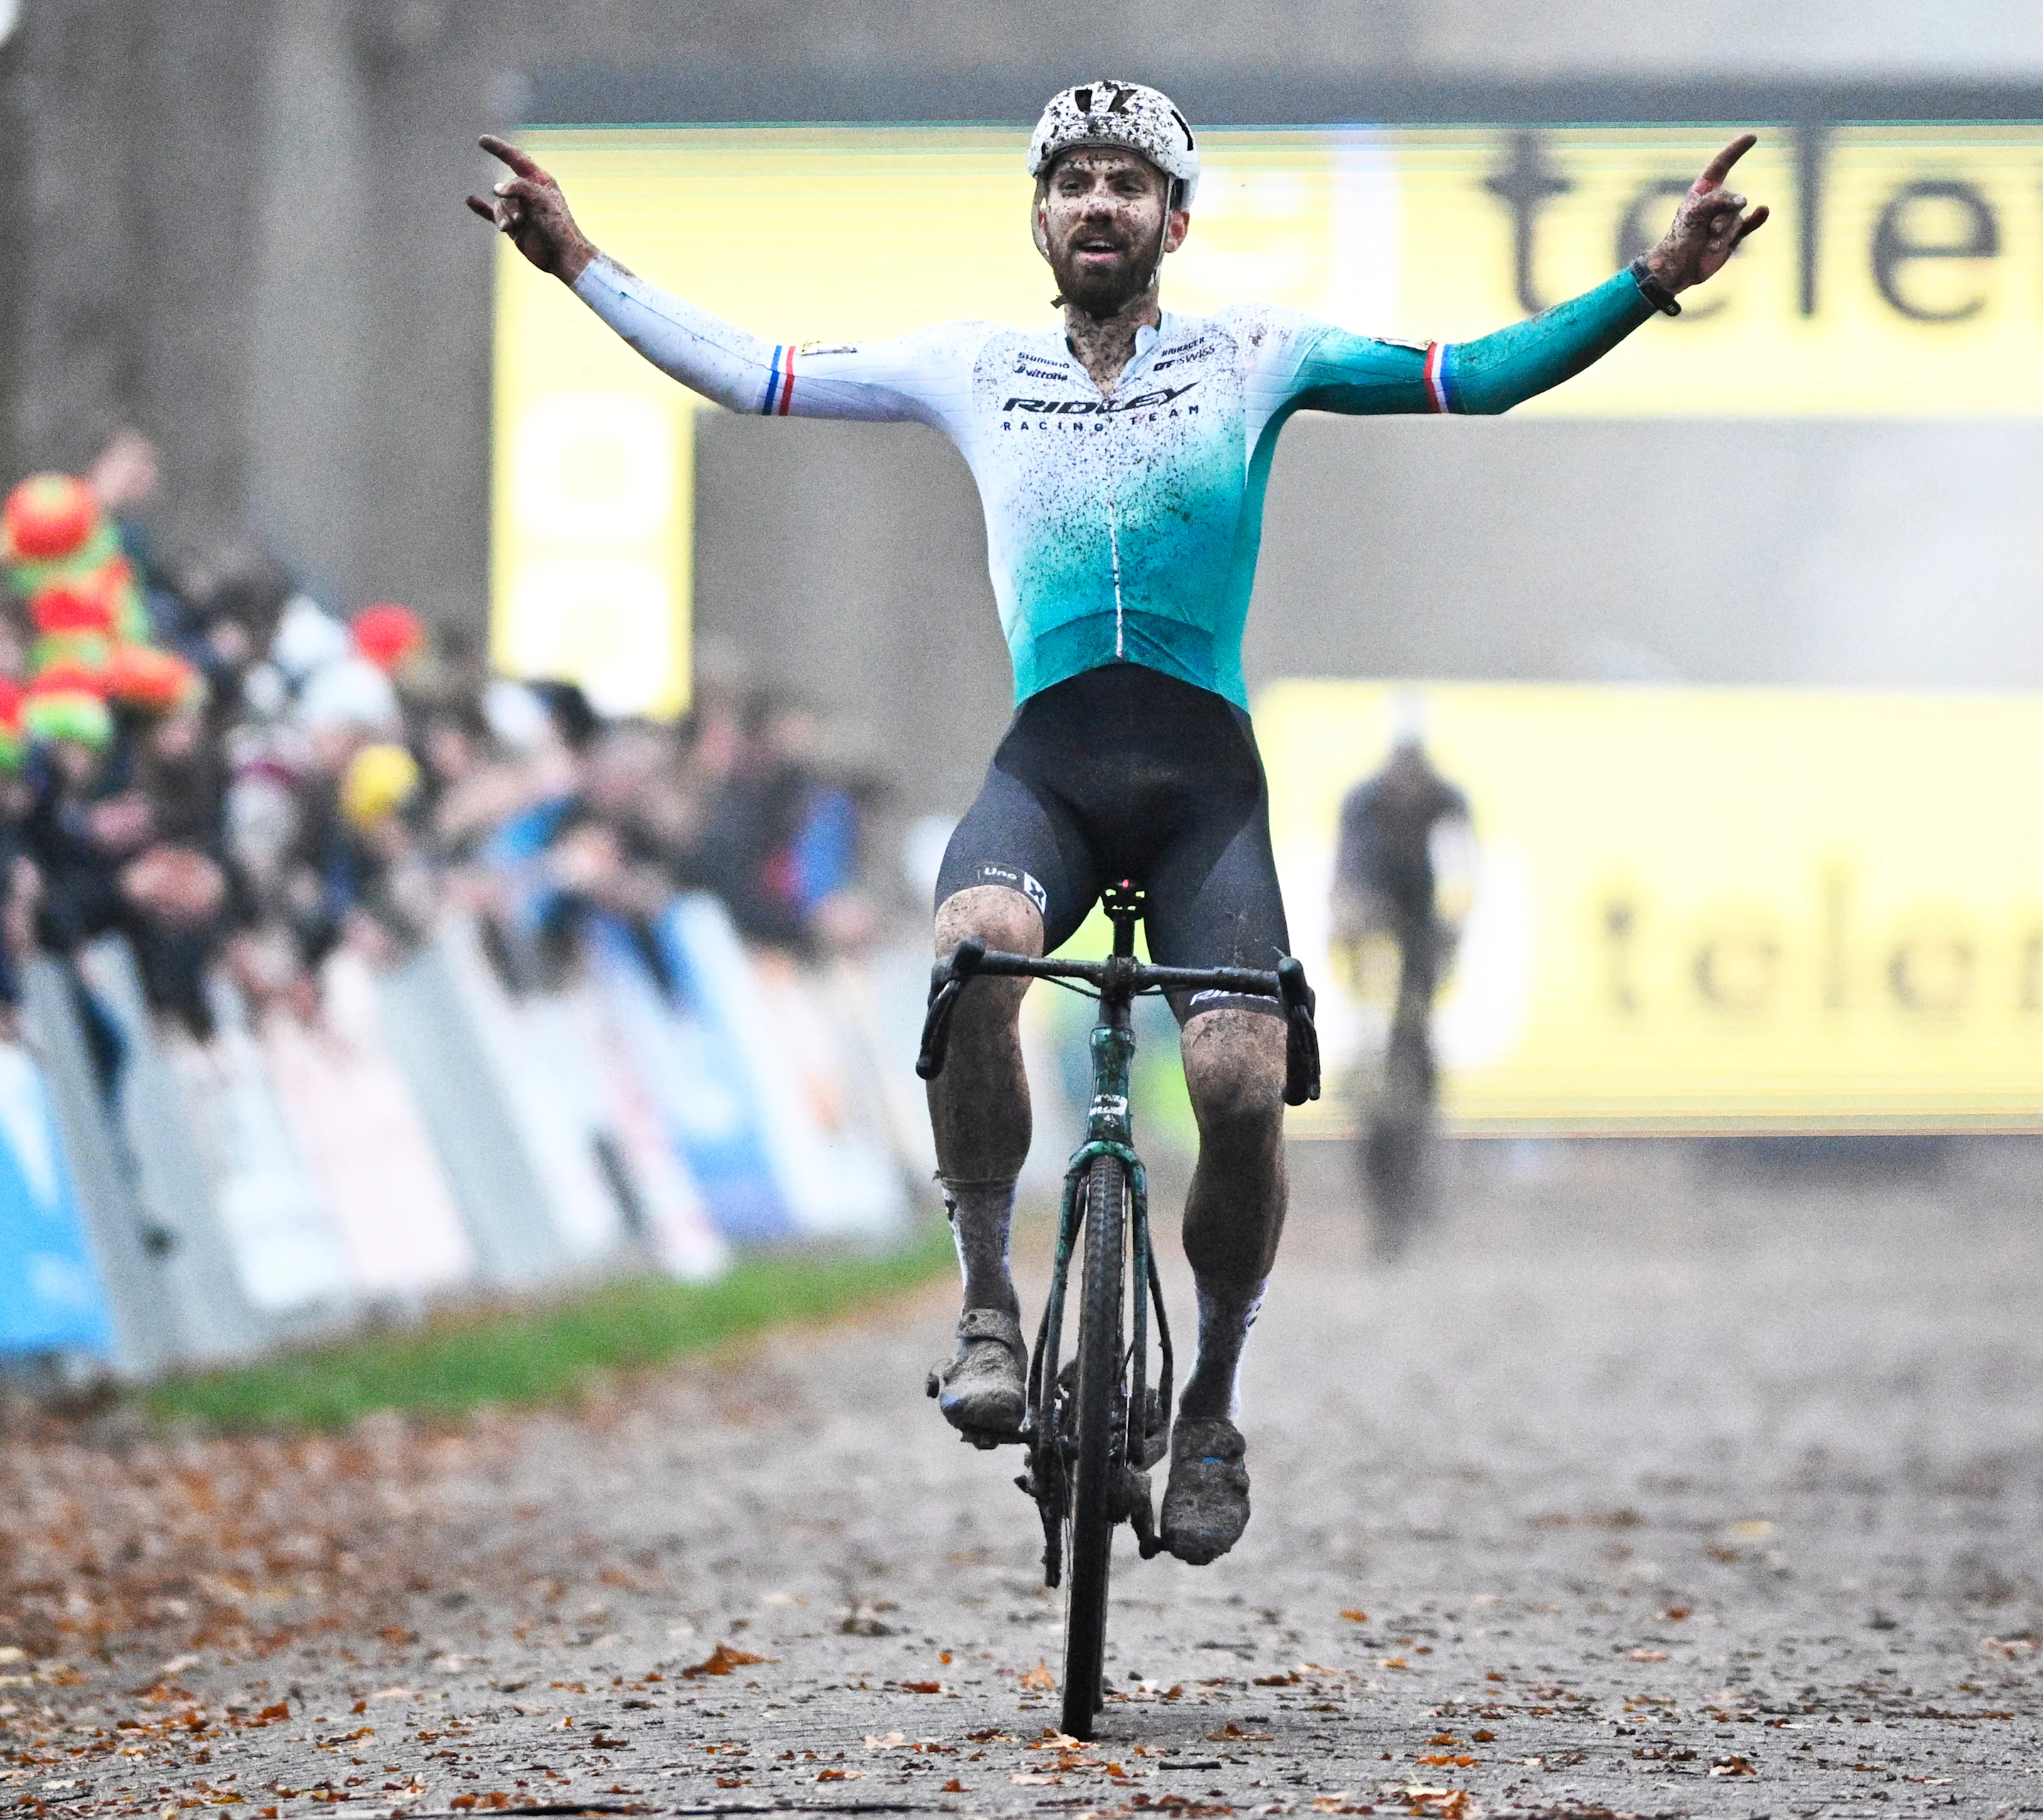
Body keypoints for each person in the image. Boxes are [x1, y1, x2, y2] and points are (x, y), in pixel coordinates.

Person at [470, 83, 1766, 1565]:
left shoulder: (1258, 355)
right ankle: (984, 1302)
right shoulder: (972, 363)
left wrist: (1651, 282)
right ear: (1039, 215)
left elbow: (1476, 375)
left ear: (1175, 220)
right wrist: (580, 264)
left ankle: (1210, 1402)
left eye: (1127, 185)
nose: (1098, 204)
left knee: (1234, 1078)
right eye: (1072, 181)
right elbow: (750, 373)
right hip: (1054, 772)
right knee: (972, 952)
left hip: (1204, 781)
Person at [1329, 728, 1473, 1256]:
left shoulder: (1447, 803)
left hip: (1421, 929)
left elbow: (1463, 878)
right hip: (1374, 924)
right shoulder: (1364, 805)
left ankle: (1416, 1141)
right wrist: (1349, 922)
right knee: (1374, 1051)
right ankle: (1373, 1125)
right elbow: (1344, 879)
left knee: (1416, 1045)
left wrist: (1451, 933)